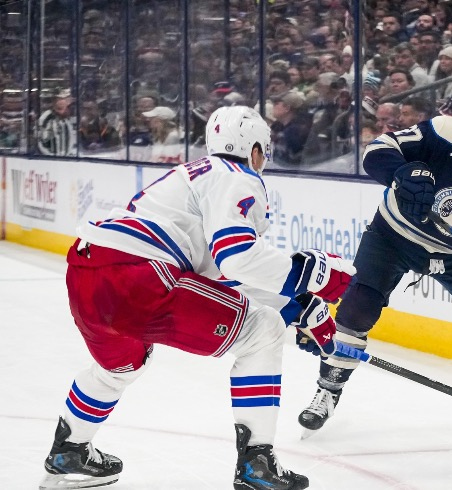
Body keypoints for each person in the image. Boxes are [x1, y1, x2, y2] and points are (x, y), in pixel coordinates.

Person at [38, 106, 355, 490]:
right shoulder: (238, 177)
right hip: (141, 275)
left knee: (121, 367)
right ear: (254, 149)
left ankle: (69, 449)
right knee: (263, 331)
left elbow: (214, 276)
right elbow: (237, 257)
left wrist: (296, 305)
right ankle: (256, 463)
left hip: (87, 269)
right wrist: (319, 276)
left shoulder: (192, 177)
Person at [296, 85, 452, 438]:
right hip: (392, 237)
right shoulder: (446, 131)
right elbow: (378, 150)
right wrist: (402, 174)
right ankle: (327, 391)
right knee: (358, 308)